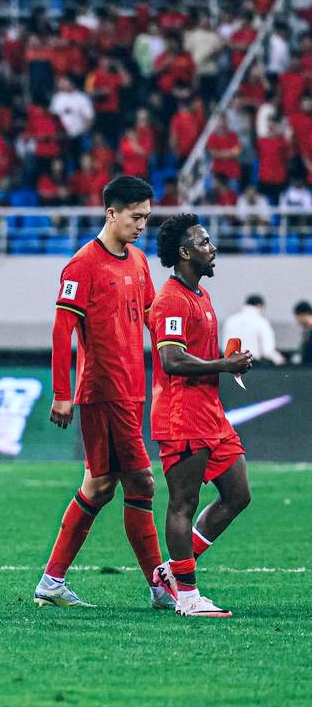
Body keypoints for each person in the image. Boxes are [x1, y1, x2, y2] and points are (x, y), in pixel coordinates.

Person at [34, 175, 172, 610]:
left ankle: (52, 581)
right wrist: (62, 392)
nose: (142, 225)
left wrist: (175, 358)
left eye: (146, 218)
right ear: (111, 213)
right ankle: (160, 586)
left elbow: (151, 316)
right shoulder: (82, 265)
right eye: (136, 217)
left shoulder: (138, 261)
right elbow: (62, 331)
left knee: (100, 486)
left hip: (132, 389)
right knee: (141, 482)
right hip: (104, 390)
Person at [149, 213, 254, 617]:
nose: (213, 248)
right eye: (205, 242)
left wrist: (226, 361)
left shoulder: (200, 296)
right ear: (184, 252)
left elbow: (194, 355)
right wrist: (224, 365)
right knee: (183, 502)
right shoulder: (171, 300)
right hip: (182, 415)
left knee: (238, 494)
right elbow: (172, 360)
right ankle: (188, 597)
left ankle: (171, 572)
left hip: (211, 414)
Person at [222, 295, 285, 365]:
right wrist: (279, 360)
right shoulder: (261, 322)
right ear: (259, 306)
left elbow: (224, 347)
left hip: (231, 364)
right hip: (253, 364)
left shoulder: (230, 321)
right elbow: (267, 351)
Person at [293, 300, 312, 365]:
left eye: (297, 317)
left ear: (303, 315)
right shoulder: (307, 330)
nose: (297, 321)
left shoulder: (309, 330)